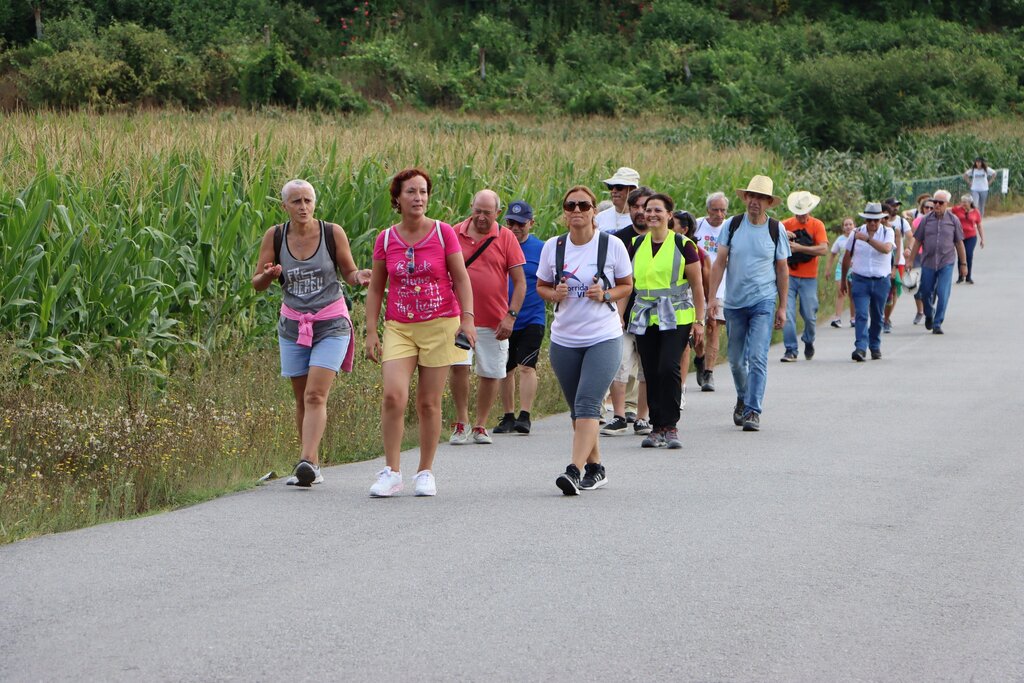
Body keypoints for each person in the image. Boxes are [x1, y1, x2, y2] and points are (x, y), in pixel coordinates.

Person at [364, 168, 476, 497]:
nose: (419, 198)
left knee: (428, 403)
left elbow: (461, 278)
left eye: (424, 192)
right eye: (411, 192)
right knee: (393, 396)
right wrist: (371, 331)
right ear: (397, 198)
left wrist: (467, 319)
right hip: (400, 326)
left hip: (441, 323)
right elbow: (375, 288)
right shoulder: (386, 239)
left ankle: (425, 471)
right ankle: (391, 471)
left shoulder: (443, 233)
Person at [252, 179, 372, 487]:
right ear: (285, 207)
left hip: (331, 323)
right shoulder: (276, 236)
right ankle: (312, 464)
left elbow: (348, 271)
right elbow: (256, 282)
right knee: (302, 400)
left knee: (316, 394)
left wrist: (359, 277)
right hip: (293, 326)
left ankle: (305, 462)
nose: (303, 207)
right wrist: (267, 275)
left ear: (314, 204)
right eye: (296, 202)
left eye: (307, 201)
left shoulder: (332, 232)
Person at [536, 185, 633, 495]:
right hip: (565, 338)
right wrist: (554, 293)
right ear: (565, 213)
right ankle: (596, 467)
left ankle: (574, 470)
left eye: (583, 205)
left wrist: (605, 294)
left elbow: (627, 286)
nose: (577, 210)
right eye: (571, 205)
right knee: (578, 410)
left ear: (594, 212)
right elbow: (541, 286)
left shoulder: (611, 245)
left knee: (588, 403)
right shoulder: (554, 246)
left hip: (602, 335)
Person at [707, 176, 790, 432]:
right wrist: (712, 299)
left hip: (763, 301)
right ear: (745, 199)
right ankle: (743, 397)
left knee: (757, 357)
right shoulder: (732, 225)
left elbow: (782, 269)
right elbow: (719, 262)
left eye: (760, 198)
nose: (754, 201)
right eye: (751, 196)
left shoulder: (776, 229)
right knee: (734, 359)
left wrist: (782, 306)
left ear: (768, 203)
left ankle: (753, 410)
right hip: (734, 303)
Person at [449, 191, 526, 445]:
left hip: (494, 320)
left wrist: (511, 316)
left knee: (491, 372)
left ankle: (480, 424)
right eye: (477, 211)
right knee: (459, 368)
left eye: (487, 213)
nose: (481, 217)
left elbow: (520, 282)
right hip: (458, 317)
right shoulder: (453, 233)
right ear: (471, 207)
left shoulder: (506, 238)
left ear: (498, 213)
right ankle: (461, 422)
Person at [629, 195, 705, 449]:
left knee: (667, 367)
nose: (651, 214)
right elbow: (627, 284)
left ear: (669, 215)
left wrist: (699, 321)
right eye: (647, 210)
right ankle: (656, 426)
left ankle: (670, 425)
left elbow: (697, 286)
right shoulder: (636, 244)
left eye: (657, 210)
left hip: (676, 316)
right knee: (650, 371)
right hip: (645, 316)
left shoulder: (684, 244)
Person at [604, 186, 654, 436]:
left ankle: (643, 417)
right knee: (619, 365)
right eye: (635, 207)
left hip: (652, 314)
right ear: (629, 209)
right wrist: (617, 314)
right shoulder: (618, 240)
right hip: (623, 311)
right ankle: (619, 415)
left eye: (646, 207)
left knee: (647, 368)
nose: (641, 212)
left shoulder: (662, 238)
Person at [493, 200, 544, 435]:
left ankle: (525, 415)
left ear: (531, 223)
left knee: (526, 366)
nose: (515, 228)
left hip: (532, 316)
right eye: (510, 223)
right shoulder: (497, 244)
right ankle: (508, 415)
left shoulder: (541, 249)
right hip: (501, 316)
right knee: (506, 369)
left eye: (520, 224)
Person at [904, 189, 967, 335]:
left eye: (940, 203)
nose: (937, 205)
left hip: (946, 262)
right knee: (926, 292)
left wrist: (963, 265)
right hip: (928, 262)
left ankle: (938, 323)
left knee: (943, 293)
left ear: (947, 204)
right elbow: (918, 241)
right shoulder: (926, 220)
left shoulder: (953, 220)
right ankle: (929, 313)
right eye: (935, 202)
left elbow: (959, 243)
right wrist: (911, 260)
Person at [840, 203, 895, 362]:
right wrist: (843, 280)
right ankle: (861, 347)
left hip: (881, 280)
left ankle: (875, 346)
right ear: (865, 219)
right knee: (862, 314)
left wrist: (868, 239)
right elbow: (847, 257)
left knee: (878, 316)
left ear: (881, 220)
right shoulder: (855, 234)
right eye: (870, 220)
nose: (872, 223)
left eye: (876, 220)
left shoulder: (887, 232)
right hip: (860, 279)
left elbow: (886, 249)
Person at [780, 191, 828, 362]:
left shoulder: (817, 225)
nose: (801, 216)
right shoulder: (784, 225)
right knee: (788, 313)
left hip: (809, 277)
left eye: (804, 213)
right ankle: (791, 350)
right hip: (788, 276)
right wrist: (784, 237)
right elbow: (770, 241)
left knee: (809, 314)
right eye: (798, 213)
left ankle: (808, 339)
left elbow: (823, 249)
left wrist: (800, 248)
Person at [692, 191, 730, 392]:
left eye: (723, 210)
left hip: (721, 285)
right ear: (708, 210)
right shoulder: (697, 225)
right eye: (715, 209)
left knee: (713, 326)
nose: (719, 214)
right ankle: (699, 358)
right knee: (696, 328)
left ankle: (708, 373)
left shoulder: (729, 228)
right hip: (698, 284)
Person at [671, 210, 710, 406]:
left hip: (688, 304)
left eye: (673, 224)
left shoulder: (696, 252)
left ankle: (681, 388)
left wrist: (702, 313)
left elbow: (702, 284)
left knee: (686, 347)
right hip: (662, 308)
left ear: (684, 229)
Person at [879, 198, 909, 333]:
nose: (884, 220)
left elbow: (897, 251)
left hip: (891, 265)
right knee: (878, 295)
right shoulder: (872, 230)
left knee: (892, 292)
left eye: (886, 217)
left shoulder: (895, 230)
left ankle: (886, 319)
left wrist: (895, 267)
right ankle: (879, 317)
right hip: (877, 267)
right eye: (882, 217)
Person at [826, 217, 856, 328]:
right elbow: (832, 254)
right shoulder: (840, 240)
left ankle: (853, 318)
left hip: (854, 269)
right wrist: (828, 270)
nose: (848, 226)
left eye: (850, 224)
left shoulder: (857, 238)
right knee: (840, 292)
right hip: (841, 268)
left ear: (854, 226)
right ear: (843, 228)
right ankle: (837, 318)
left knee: (852, 294)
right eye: (846, 225)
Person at [910, 198, 936, 325]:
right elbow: (915, 240)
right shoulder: (917, 221)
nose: (929, 210)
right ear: (922, 209)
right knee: (915, 285)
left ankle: (929, 307)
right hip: (918, 255)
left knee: (930, 285)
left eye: (932, 208)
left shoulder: (938, 221)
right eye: (927, 208)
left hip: (931, 256)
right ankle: (920, 311)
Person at [951, 194, 984, 284]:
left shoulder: (975, 212)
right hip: (959, 236)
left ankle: (968, 276)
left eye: (965, 202)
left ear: (970, 203)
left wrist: (982, 239)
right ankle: (960, 276)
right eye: (962, 202)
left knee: (968, 255)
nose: (963, 204)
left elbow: (979, 225)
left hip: (971, 236)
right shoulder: (957, 209)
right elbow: (947, 212)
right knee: (961, 255)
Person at [595, 167, 640, 233]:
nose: (614, 191)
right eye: (611, 187)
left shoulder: (639, 218)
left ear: (632, 190)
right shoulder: (600, 217)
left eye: (619, 187)